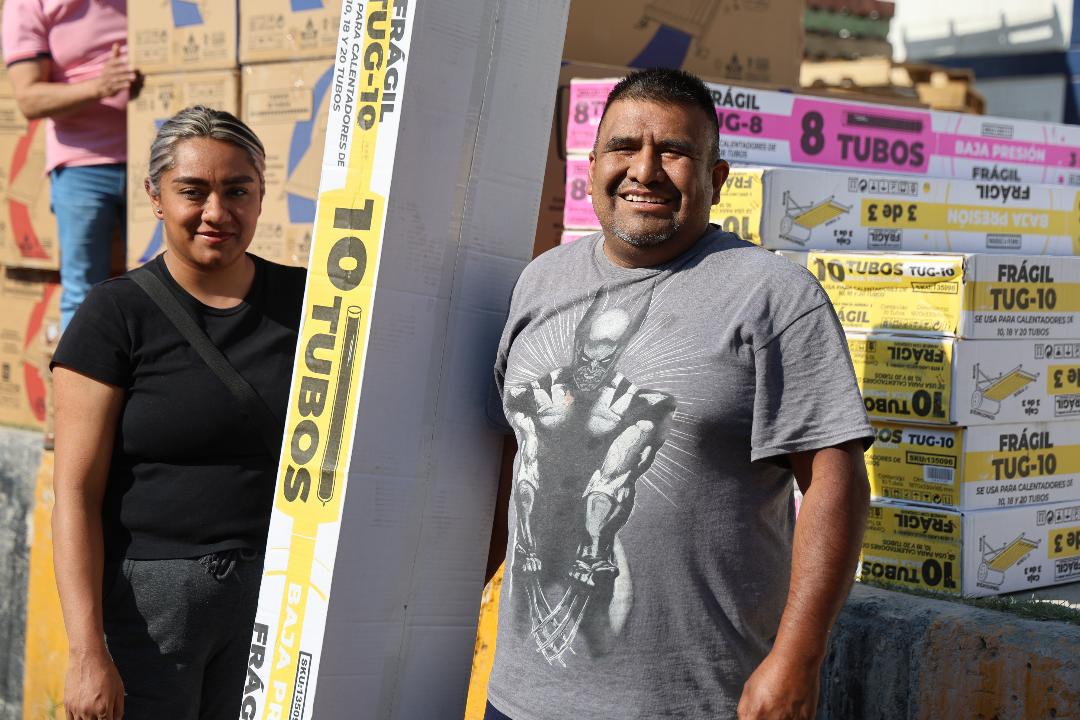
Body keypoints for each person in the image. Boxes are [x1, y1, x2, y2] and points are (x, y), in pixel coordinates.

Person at [485, 68, 873, 720]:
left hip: (695, 701)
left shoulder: (772, 296)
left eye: (673, 151)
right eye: (623, 147)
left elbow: (836, 480)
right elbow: (508, 455)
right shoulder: (539, 284)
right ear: (592, 167)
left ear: (715, 179)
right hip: (519, 699)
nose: (645, 170)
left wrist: (798, 659)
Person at [49, 106, 306, 720]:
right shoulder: (114, 316)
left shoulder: (307, 302)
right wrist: (87, 652)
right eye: (193, 191)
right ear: (156, 197)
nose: (217, 212)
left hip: (281, 604)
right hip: (150, 616)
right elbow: (75, 494)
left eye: (237, 190)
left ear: (261, 195)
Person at [2, 0, 136, 330]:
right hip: (82, 167)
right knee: (83, 294)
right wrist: (99, 87)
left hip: (157, 159)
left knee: (165, 288)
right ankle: (81, 366)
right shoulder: (28, 5)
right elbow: (29, 99)